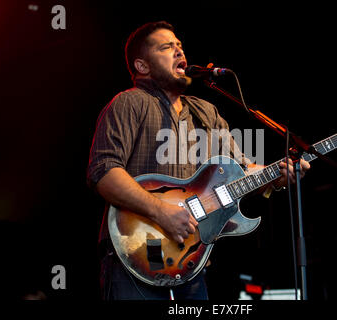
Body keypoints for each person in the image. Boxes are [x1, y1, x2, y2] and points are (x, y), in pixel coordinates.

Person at [86, 21, 310, 300]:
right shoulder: (129, 103)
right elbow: (103, 173)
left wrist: (276, 174)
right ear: (142, 66)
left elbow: (239, 170)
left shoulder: (206, 112)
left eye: (180, 46)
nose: (179, 51)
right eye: (167, 47)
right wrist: (160, 211)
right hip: (137, 250)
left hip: (190, 260)